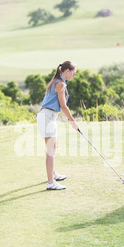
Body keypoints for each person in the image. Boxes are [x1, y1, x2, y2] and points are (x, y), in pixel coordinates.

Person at [36, 61, 79, 190]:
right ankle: (50, 182)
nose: (74, 75)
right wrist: (72, 121)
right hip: (47, 117)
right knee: (51, 150)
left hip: (47, 117)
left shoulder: (58, 81)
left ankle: (53, 173)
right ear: (66, 71)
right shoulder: (60, 83)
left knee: (52, 148)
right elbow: (63, 106)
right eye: (73, 73)